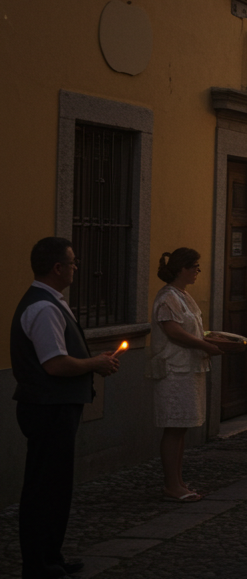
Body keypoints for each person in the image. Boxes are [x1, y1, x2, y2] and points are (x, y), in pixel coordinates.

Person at [14, 238, 120, 579]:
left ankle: (51, 555)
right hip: (48, 406)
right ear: (57, 268)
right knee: (45, 487)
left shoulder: (52, 303)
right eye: (72, 262)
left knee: (56, 485)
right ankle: (39, 562)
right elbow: (55, 364)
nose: (77, 267)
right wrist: (95, 364)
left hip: (55, 405)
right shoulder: (44, 308)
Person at [150, 248, 240, 503]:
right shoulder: (168, 297)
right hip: (174, 370)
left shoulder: (183, 296)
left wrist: (213, 339)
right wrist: (205, 346)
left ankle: (177, 480)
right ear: (182, 268)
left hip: (188, 368)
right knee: (174, 428)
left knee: (181, 429)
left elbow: (194, 329)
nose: (198, 271)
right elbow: (174, 331)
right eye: (195, 267)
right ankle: (171, 483)